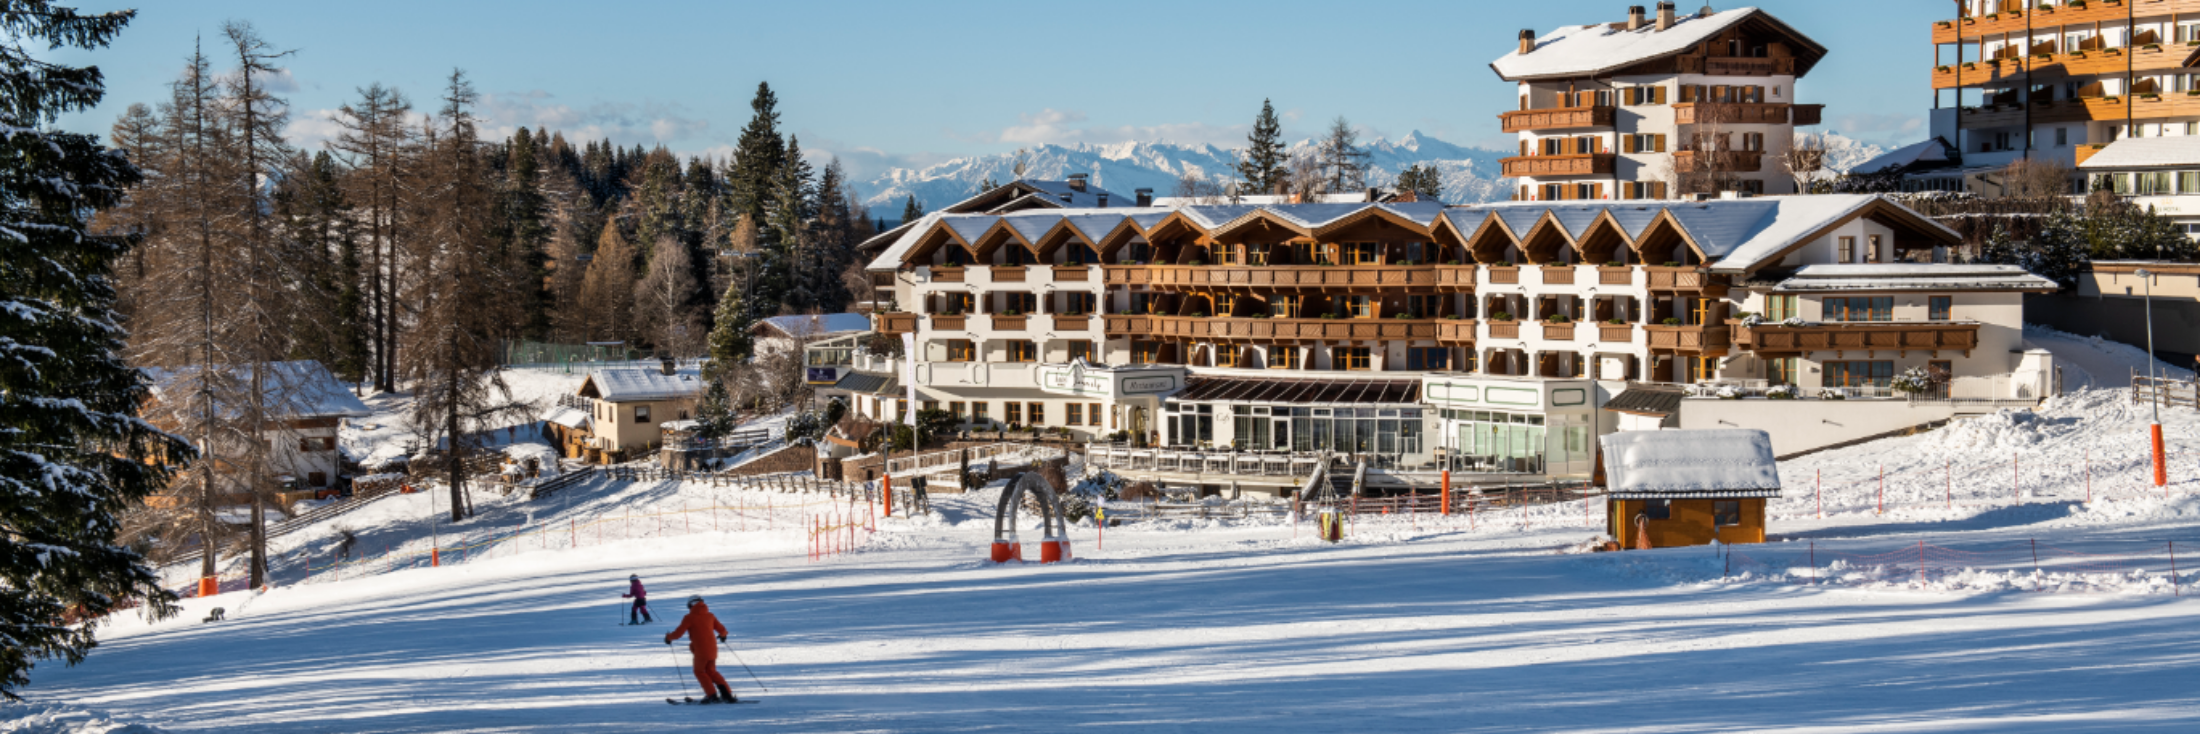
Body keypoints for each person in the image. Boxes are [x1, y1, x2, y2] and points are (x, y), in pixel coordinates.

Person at [665, 595, 735, 703]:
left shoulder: (689, 617)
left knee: (699, 671)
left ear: (691, 605)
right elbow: (722, 630)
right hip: (712, 649)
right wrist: (723, 635)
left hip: (701, 651)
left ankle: (711, 695)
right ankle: (727, 694)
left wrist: (668, 637)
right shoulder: (710, 615)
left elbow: (678, 633)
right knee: (711, 672)